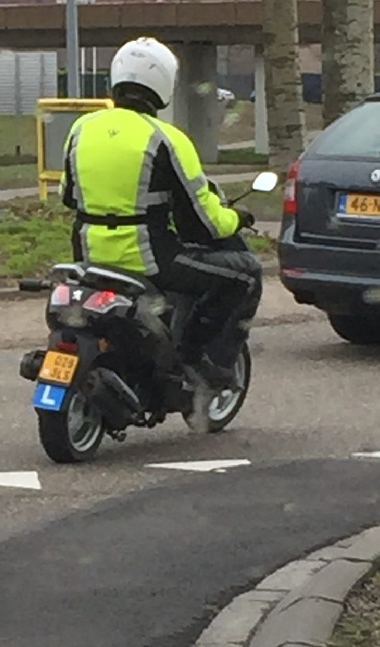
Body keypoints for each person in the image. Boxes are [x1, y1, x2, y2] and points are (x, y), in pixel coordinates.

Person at [58, 37, 262, 428]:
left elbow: (69, 196)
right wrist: (238, 219)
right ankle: (200, 361)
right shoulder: (166, 138)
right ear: (164, 84)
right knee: (245, 274)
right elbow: (205, 219)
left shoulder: (82, 129)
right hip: (148, 258)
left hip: (88, 253)